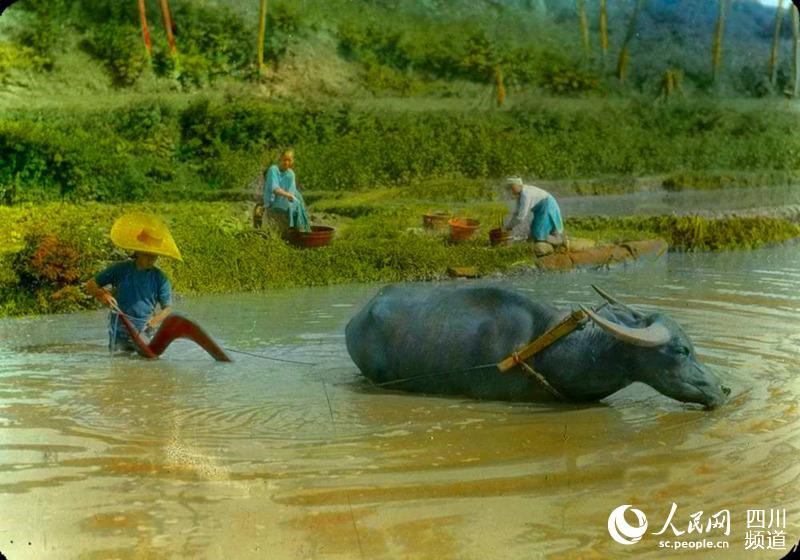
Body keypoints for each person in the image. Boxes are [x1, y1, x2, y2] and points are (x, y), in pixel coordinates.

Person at [85, 212, 181, 353]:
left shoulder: (160, 278)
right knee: (119, 365)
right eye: (146, 255)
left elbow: (167, 309)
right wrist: (103, 296)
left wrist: (155, 320)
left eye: (154, 256)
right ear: (137, 251)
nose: (150, 259)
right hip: (119, 330)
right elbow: (90, 285)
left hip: (145, 331)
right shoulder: (120, 269)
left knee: (145, 368)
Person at [502, 177, 566, 249]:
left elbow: (521, 216)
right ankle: (554, 237)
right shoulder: (520, 195)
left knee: (538, 235)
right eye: (509, 188)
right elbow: (517, 212)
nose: (511, 190)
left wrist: (509, 226)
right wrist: (508, 225)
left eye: (512, 187)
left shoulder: (526, 194)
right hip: (541, 210)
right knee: (534, 232)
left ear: (519, 185)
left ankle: (560, 240)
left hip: (547, 206)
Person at [262, 149, 309, 234]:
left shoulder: (291, 174)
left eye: (289, 160)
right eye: (284, 159)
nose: (286, 162)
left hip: (284, 204)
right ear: (280, 159)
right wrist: (287, 195)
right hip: (272, 203)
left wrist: (293, 200)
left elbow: (292, 191)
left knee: (298, 206)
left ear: (292, 161)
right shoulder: (273, 169)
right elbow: (274, 188)